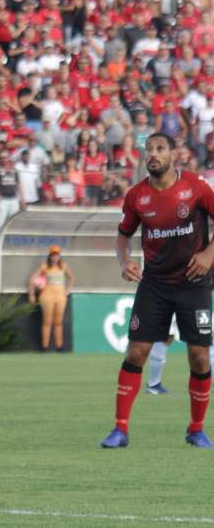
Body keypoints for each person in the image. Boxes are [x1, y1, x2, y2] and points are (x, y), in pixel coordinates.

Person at [101, 133, 214, 449]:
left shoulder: (196, 187)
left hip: (194, 283)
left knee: (199, 357)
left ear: (174, 155)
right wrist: (124, 262)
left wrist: (208, 255)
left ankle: (196, 429)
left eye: (160, 149)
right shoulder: (137, 196)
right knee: (137, 351)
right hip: (155, 284)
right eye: (149, 149)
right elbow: (123, 236)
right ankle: (120, 430)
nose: (153, 154)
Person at [27, 245, 75, 351]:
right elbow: (32, 279)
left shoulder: (63, 266)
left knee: (58, 322)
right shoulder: (44, 267)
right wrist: (32, 294)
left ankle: (59, 346)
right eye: (53, 255)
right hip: (47, 296)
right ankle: (45, 346)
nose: (55, 257)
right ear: (50, 256)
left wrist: (67, 291)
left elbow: (72, 278)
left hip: (60, 297)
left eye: (57, 255)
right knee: (47, 322)